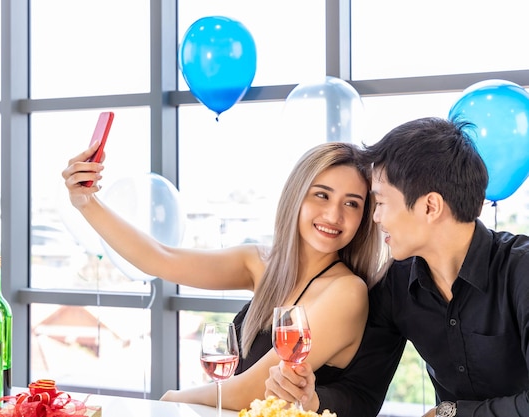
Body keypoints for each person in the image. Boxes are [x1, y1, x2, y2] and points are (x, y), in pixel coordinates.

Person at [62, 141, 388, 411]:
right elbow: (160, 259)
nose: (334, 215)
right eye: (322, 195)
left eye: (352, 204)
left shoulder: (347, 292)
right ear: (297, 196)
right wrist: (87, 202)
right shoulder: (258, 262)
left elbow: (255, 390)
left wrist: (174, 399)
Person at [265, 116, 529, 417]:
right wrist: (312, 400)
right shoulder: (396, 284)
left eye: (380, 203)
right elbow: (362, 392)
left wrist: (453, 413)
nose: (374, 217)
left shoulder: (521, 271)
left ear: (430, 206)